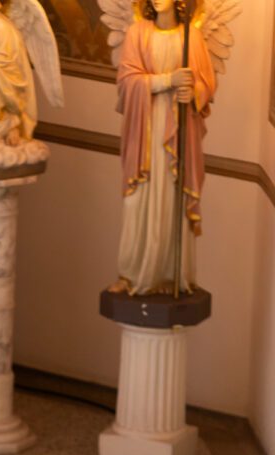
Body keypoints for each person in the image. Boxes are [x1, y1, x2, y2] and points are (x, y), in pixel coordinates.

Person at [111, 0, 216, 295]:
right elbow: (126, 83)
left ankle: (172, 274)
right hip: (144, 131)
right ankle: (130, 273)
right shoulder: (137, 33)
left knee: (172, 197)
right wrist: (166, 80)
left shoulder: (191, 38)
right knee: (139, 198)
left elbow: (207, 83)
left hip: (178, 134)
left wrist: (192, 92)